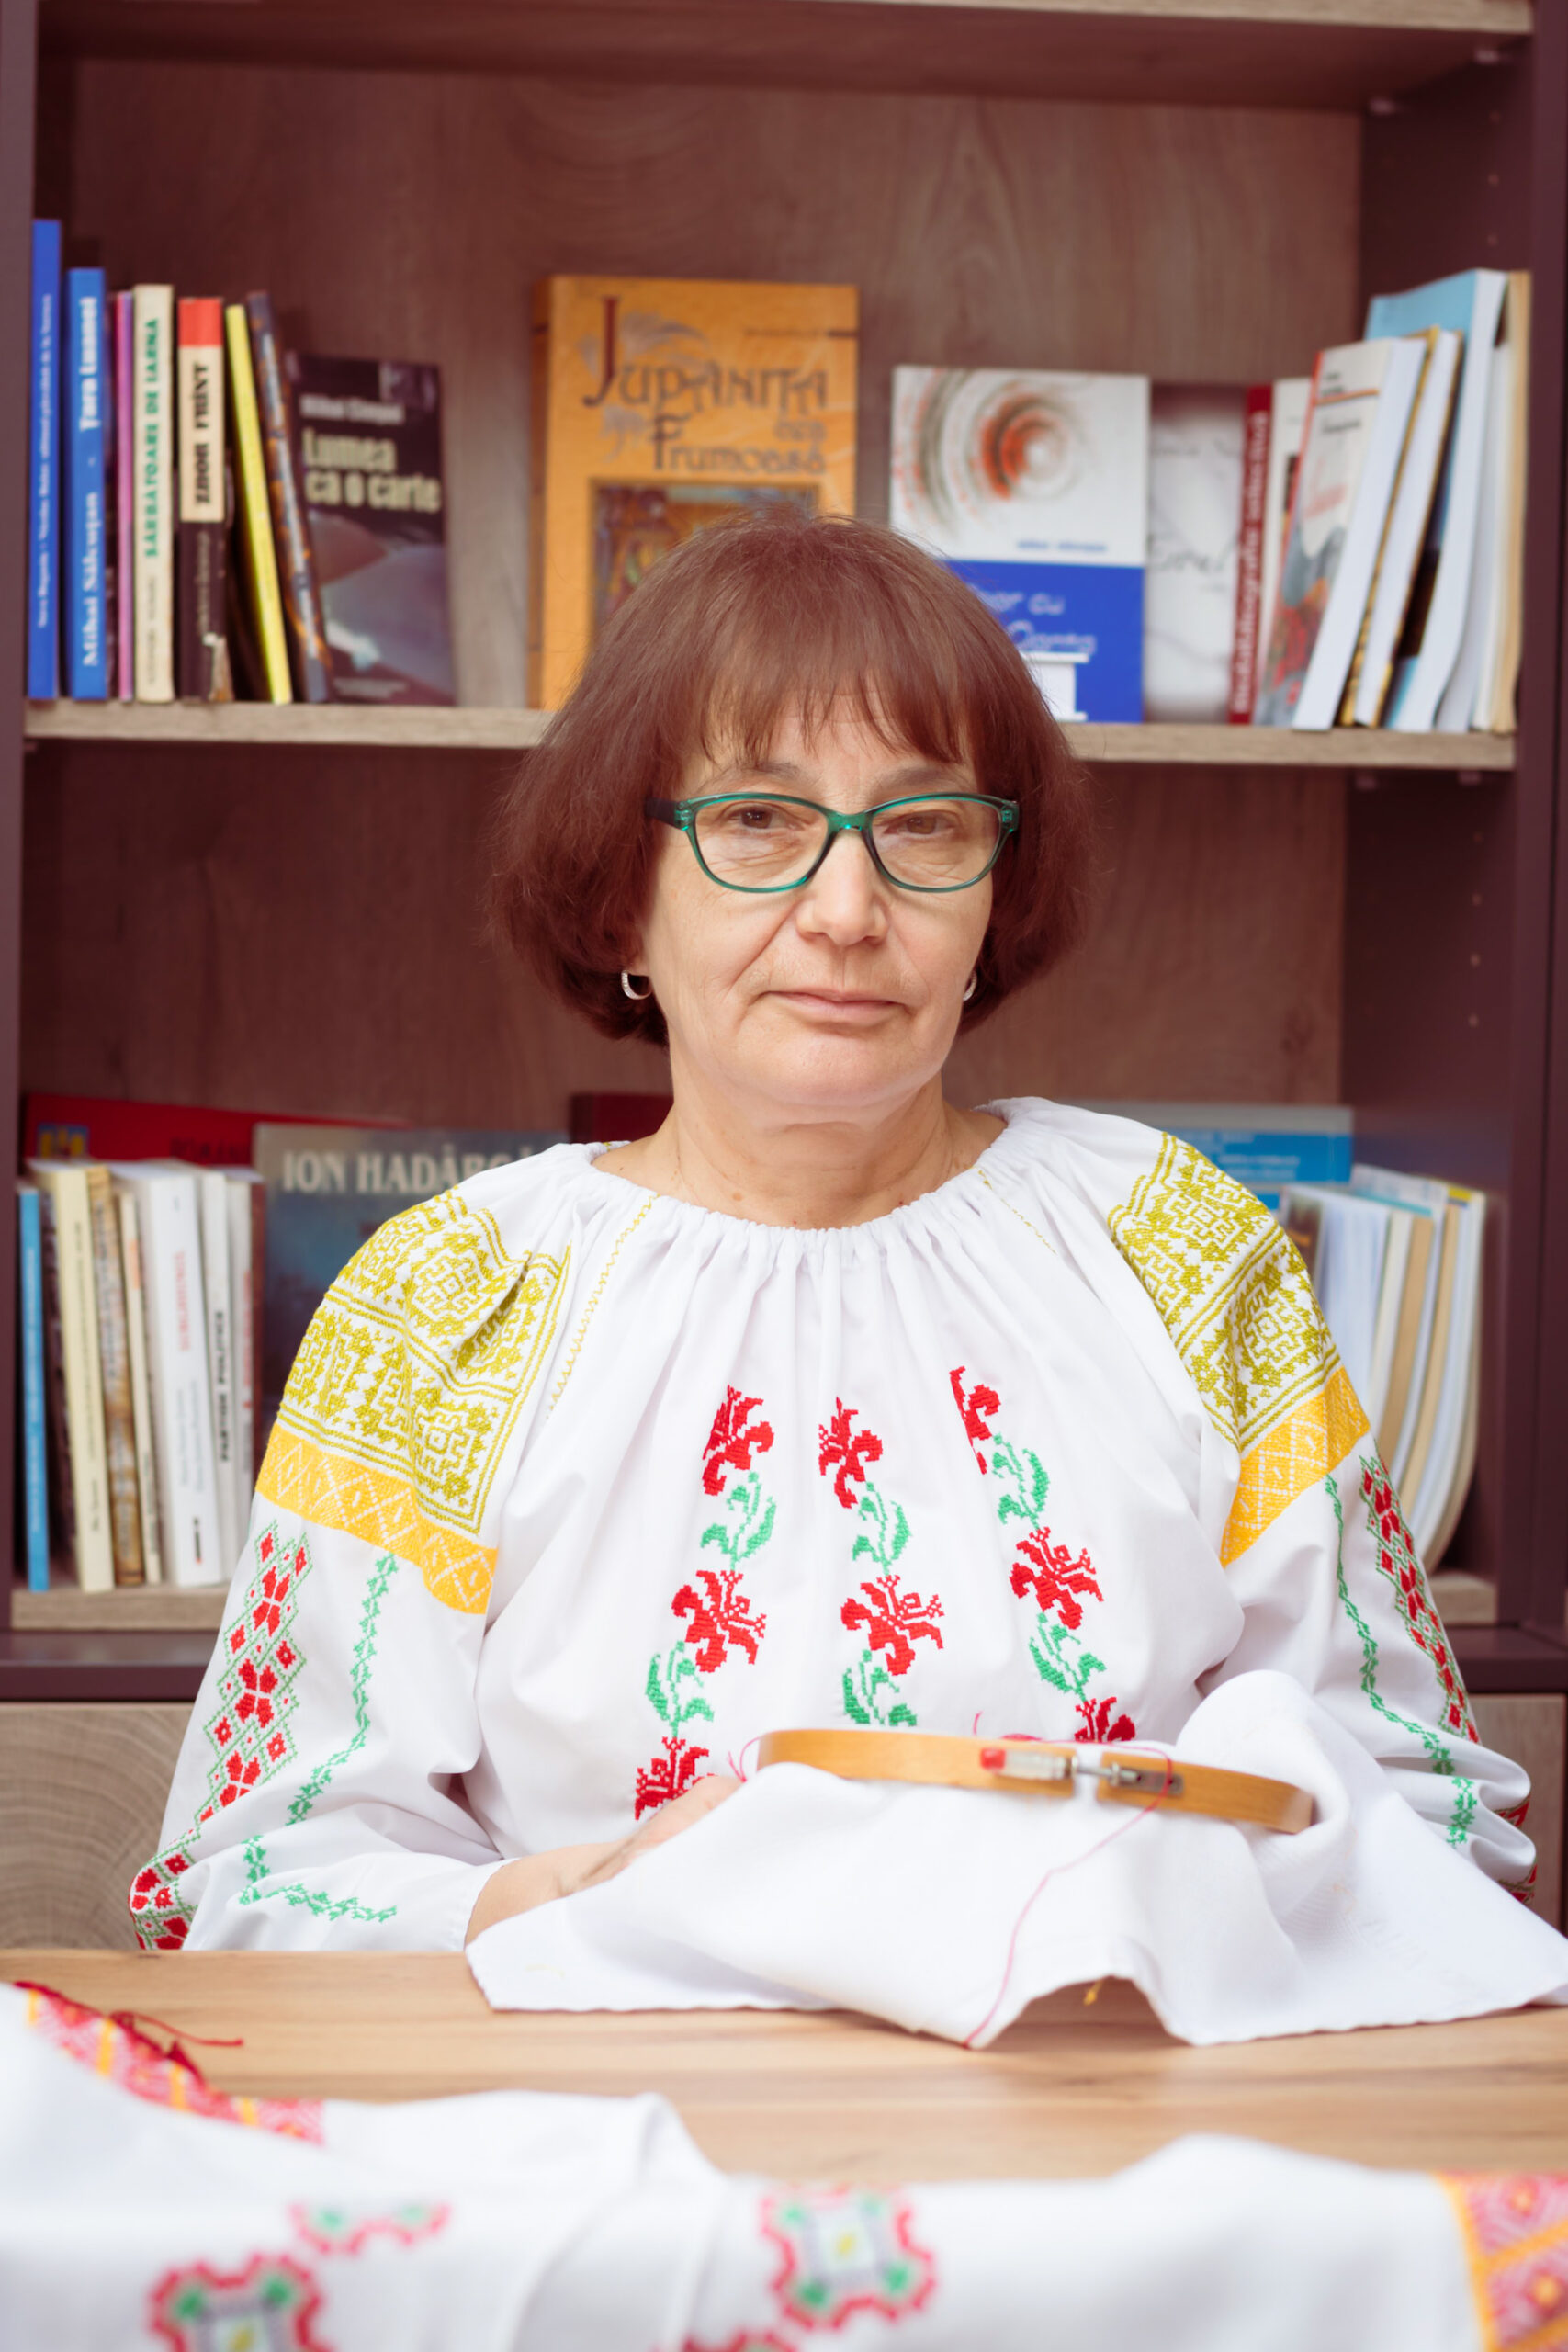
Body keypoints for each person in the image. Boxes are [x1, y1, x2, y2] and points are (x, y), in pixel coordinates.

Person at [130, 512, 1532, 1963]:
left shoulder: (1176, 1246)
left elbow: (1425, 1807)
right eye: (757, 821)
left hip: (1110, 2069)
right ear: (622, 894)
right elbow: (251, 1884)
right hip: (594, 2080)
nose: (848, 911)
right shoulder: (443, 1301)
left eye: (922, 827)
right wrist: (585, 1900)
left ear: (993, 899)